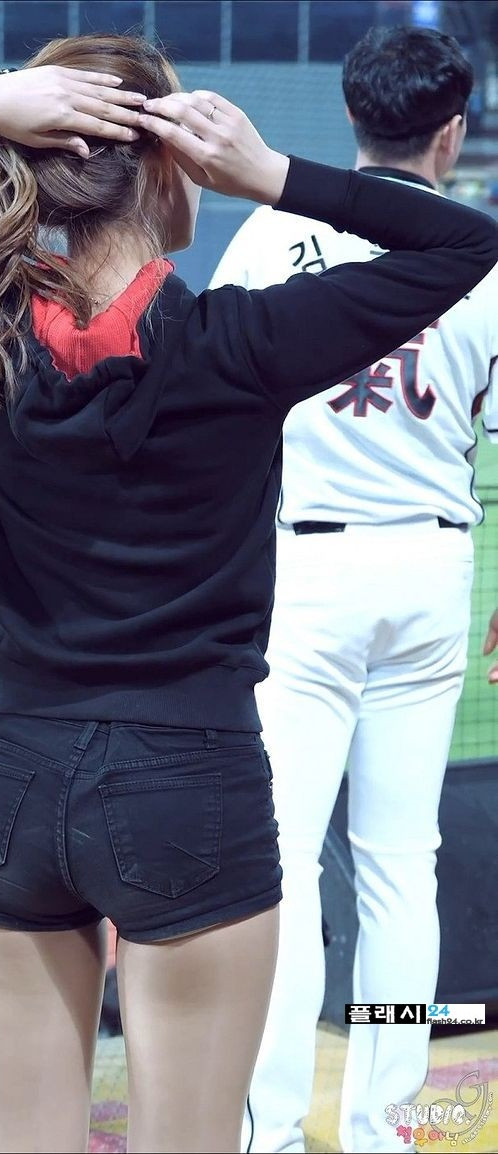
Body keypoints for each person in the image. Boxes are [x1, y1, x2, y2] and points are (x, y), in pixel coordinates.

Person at [0, 32, 496, 1154]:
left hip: (12, 788)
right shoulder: (239, 342)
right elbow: (464, 240)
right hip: (192, 790)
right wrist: (270, 173)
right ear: (166, 166)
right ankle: (381, 1119)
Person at [209, 25, 498, 1154]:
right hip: (430, 571)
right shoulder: (481, 256)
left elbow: (215, 408)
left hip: (306, 574)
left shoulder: (268, 235)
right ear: (452, 133)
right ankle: (384, 1127)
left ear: (348, 117)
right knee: (397, 870)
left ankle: (271, 1130)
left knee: (278, 864)